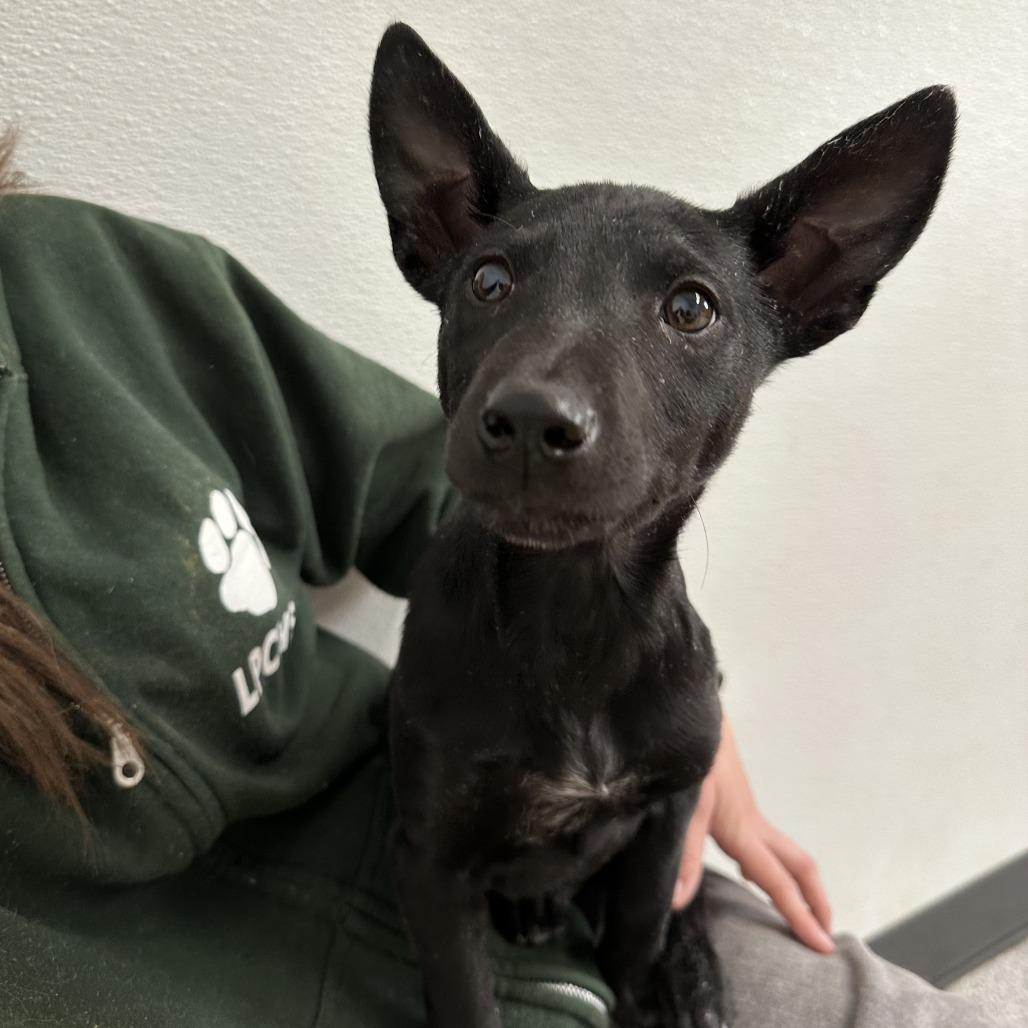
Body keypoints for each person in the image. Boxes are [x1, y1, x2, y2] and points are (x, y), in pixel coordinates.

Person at [0, 151, 995, 1027]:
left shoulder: (69, 280)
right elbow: (432, 858)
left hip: (604, 895)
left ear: (806, 292)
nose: (541, 395)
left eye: (688, 306)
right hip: (365, 917)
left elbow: (405, 470)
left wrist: (646, 949)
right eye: (492, 278)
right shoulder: (446, 691)